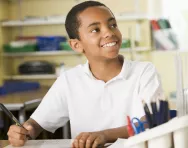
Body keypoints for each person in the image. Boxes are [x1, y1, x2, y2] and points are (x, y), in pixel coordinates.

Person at [7, 1, 163, 148]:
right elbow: (36, 124)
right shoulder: (69, 80)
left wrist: (104, 135)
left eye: (113, 24)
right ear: (76, 45)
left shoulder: (144, 72)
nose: (109, 32)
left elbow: (152, 120)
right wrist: (24, 132)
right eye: (96, 29)